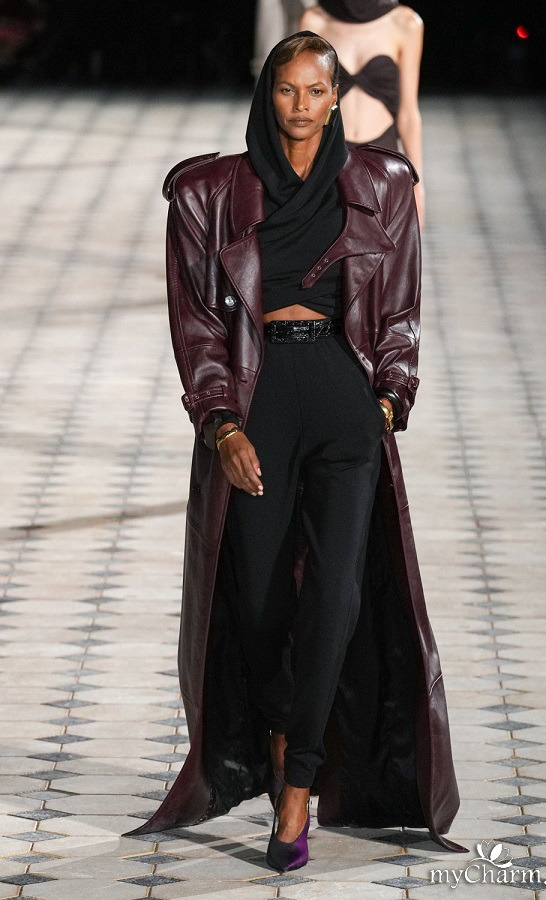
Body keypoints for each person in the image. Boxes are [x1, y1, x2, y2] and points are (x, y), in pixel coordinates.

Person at [124, 30, 465, 868]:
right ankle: (280, 733)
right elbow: (197, 328)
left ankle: (299, 786)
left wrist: (386, 401)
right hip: (258, 402)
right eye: (287, 90)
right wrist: (222, 425)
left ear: (337, 96)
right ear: (266, 93)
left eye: (317, 90)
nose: (302, 106)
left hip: (346, 408)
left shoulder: (382, 185)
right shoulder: (209, 193)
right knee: (258, 602)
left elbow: (401, 311)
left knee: (338, 598)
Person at [299, 0, 426, 228]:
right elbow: (305, 105)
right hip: (329, 158)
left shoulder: (405, 23)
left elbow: (408, 112)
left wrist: (417, 185)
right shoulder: (315, 21)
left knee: (383, 245)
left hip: (383, 159)